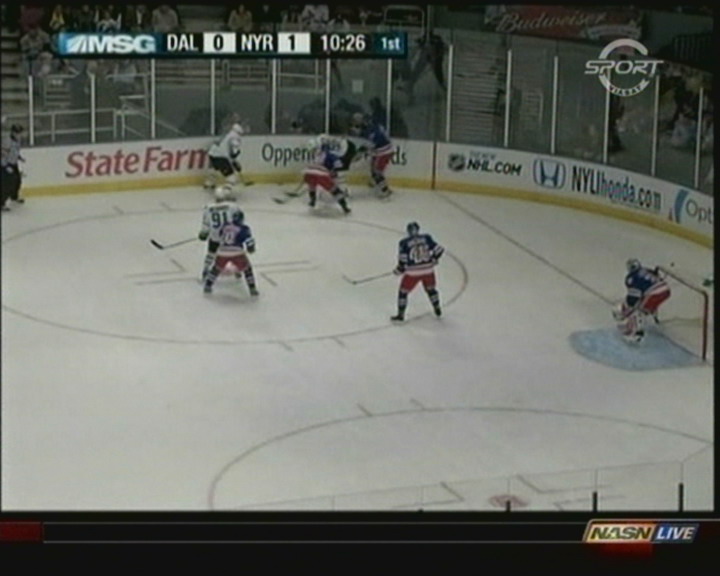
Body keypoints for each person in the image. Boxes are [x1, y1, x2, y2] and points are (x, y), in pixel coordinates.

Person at [391, 222, 444, 322]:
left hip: (413, 273)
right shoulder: (427, 238)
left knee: (403, 292)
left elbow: (403, 260)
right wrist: (434, 259)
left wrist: (399, 270)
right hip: (428, 270)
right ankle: (437, 307)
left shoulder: (404, 242)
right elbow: (439, 250)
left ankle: (401, 315)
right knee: (431, 290)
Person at [612, 258, 671, 344]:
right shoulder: (646, 270)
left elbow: (633, 297)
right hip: (666, 290)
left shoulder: (631, 278)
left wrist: (628, 308)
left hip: (654, 293)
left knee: (639, 310)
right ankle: (652, 318)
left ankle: (637, 334)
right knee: (646, 306)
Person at [202, 208, 258, 296]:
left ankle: (208, 285)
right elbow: (248, 240)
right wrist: (251, 248)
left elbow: (221, 235)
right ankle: (252, 288)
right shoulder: (244, 228)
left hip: (222, 252)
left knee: (216, 268)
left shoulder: (225, 226)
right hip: (237, 252)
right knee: (247, 269)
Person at [198, 186, 244, 281]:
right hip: (229, 235)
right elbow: (240, 218)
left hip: (215, 235)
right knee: (233, 252)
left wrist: (204, 233)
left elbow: (206, 223)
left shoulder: (209, 208)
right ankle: (237, 270)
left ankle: (205, 270)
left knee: (211, 253)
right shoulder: (232, 206)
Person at [350, 112, 393, 198]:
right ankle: (377, 182)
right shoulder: (370, 124)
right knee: (373, 170)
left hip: (384, 152)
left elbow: (370, 144)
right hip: (379, 151)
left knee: (376, 171)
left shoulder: (371, 131)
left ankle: (385, 190)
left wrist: (358, 154)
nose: (354, 123)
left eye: (355, 121)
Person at [302, 137, 351, 214]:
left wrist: (333, 171)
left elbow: (338, 165)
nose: (313, 152)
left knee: (334, 190)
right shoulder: (318, 155)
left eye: (314, 149)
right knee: (312, 182)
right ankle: (313, 200)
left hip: (325, 176)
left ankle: (344, 206)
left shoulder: (328, 155)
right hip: (320, 175)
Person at [204, 123, 245, 192]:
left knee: (214, 169)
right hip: (221, 157)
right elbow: (233, 152)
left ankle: (209, 183)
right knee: (231, 177)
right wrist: (235, 162)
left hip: (212, 154)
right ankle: (225, 192)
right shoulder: (235, 137)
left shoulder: (227, 134)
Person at [1, 124, 26, 211]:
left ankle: (14, 196)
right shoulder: (7, 141)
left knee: (17, 180)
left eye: (20, 133)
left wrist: (19, 157)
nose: (20, 135)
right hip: (5, 165)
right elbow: (2, 155)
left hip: (14, 164)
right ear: (13, 133)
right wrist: (6, 166)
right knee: (6, 184)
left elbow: (14, 151)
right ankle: (1, 203)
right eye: (18, 133)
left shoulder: (18, 141)